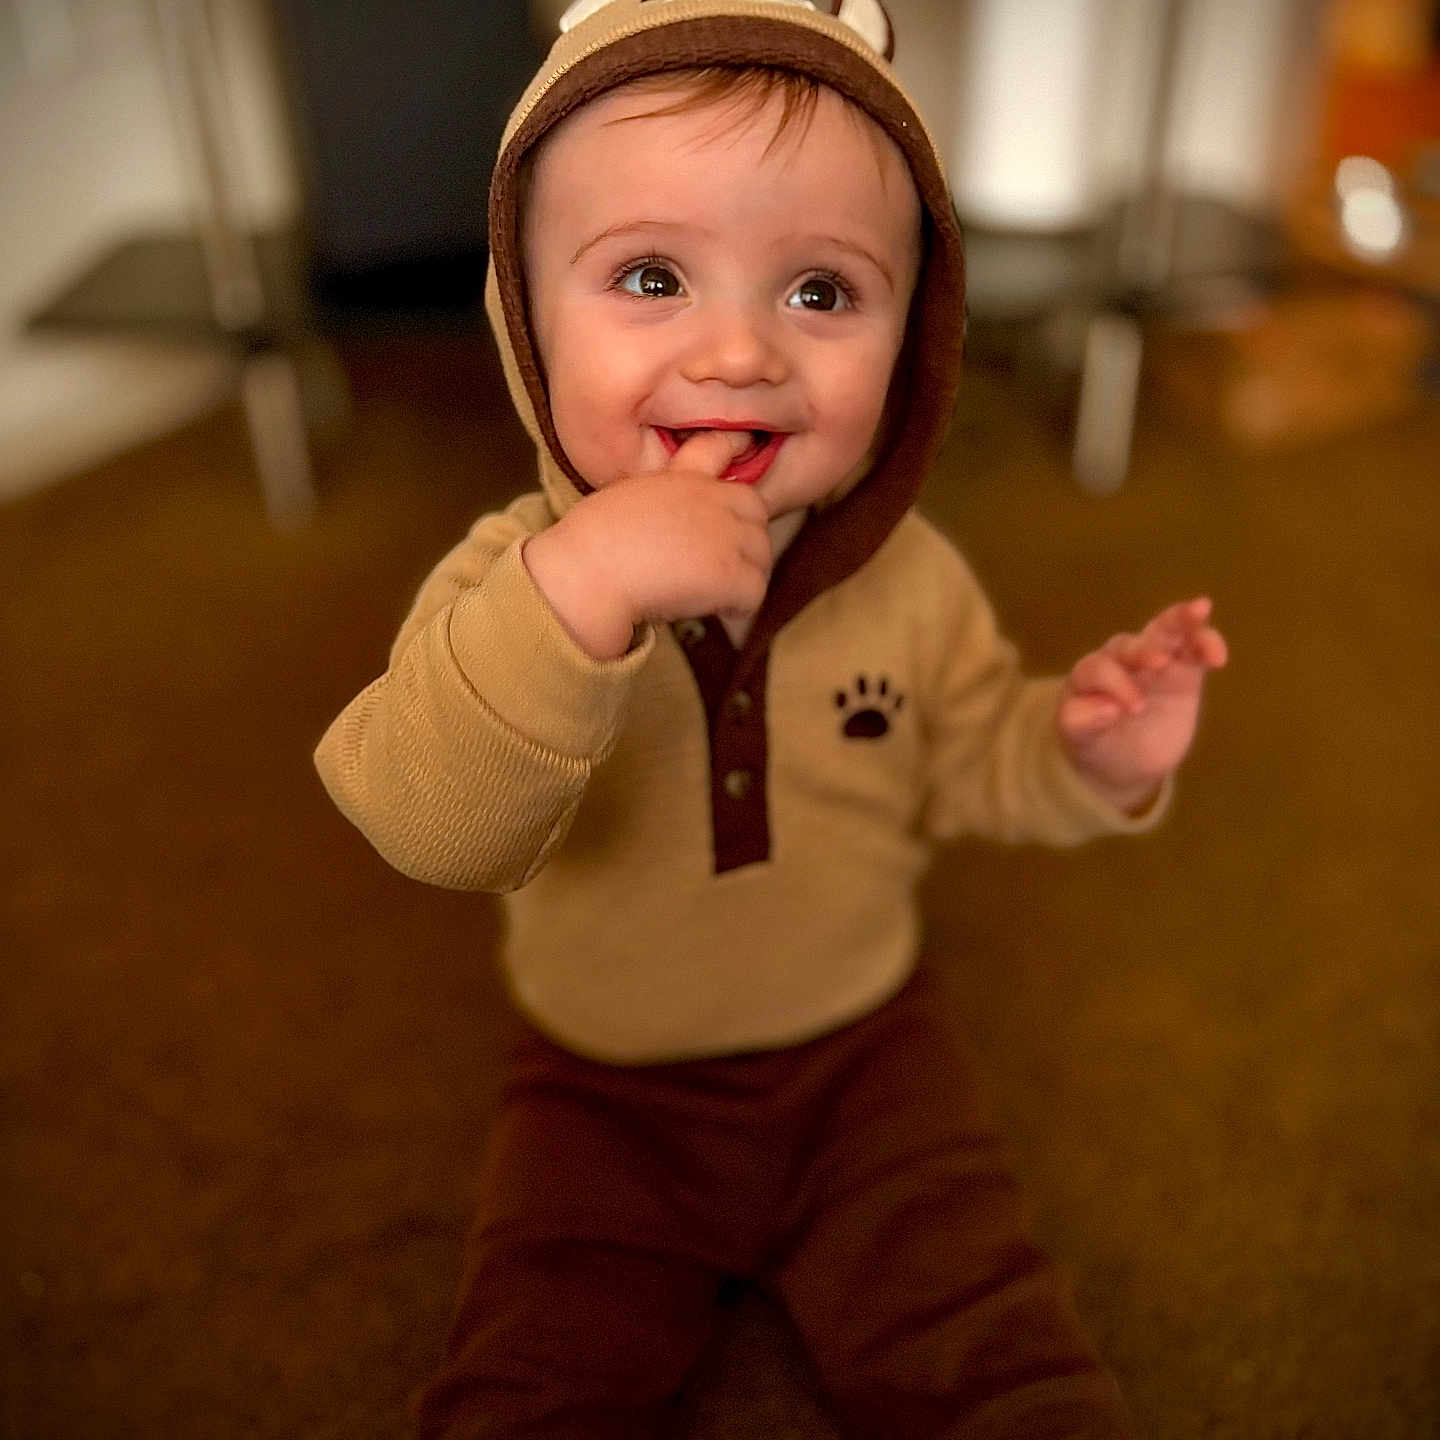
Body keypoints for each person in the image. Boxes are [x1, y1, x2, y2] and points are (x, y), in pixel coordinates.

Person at [314, 1, 1228, 1435]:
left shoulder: (909, 583)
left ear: (914, 337)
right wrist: (580, 595)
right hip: (603, 1080)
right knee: (532, 1375)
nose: (739, 354)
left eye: (820, 291)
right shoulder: (510, 583)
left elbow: (968, 755)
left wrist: (1083, 749)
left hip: (867, 1052)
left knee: (997, 1348)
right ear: (525, 321)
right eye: (652, 276)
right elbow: (428, 821)